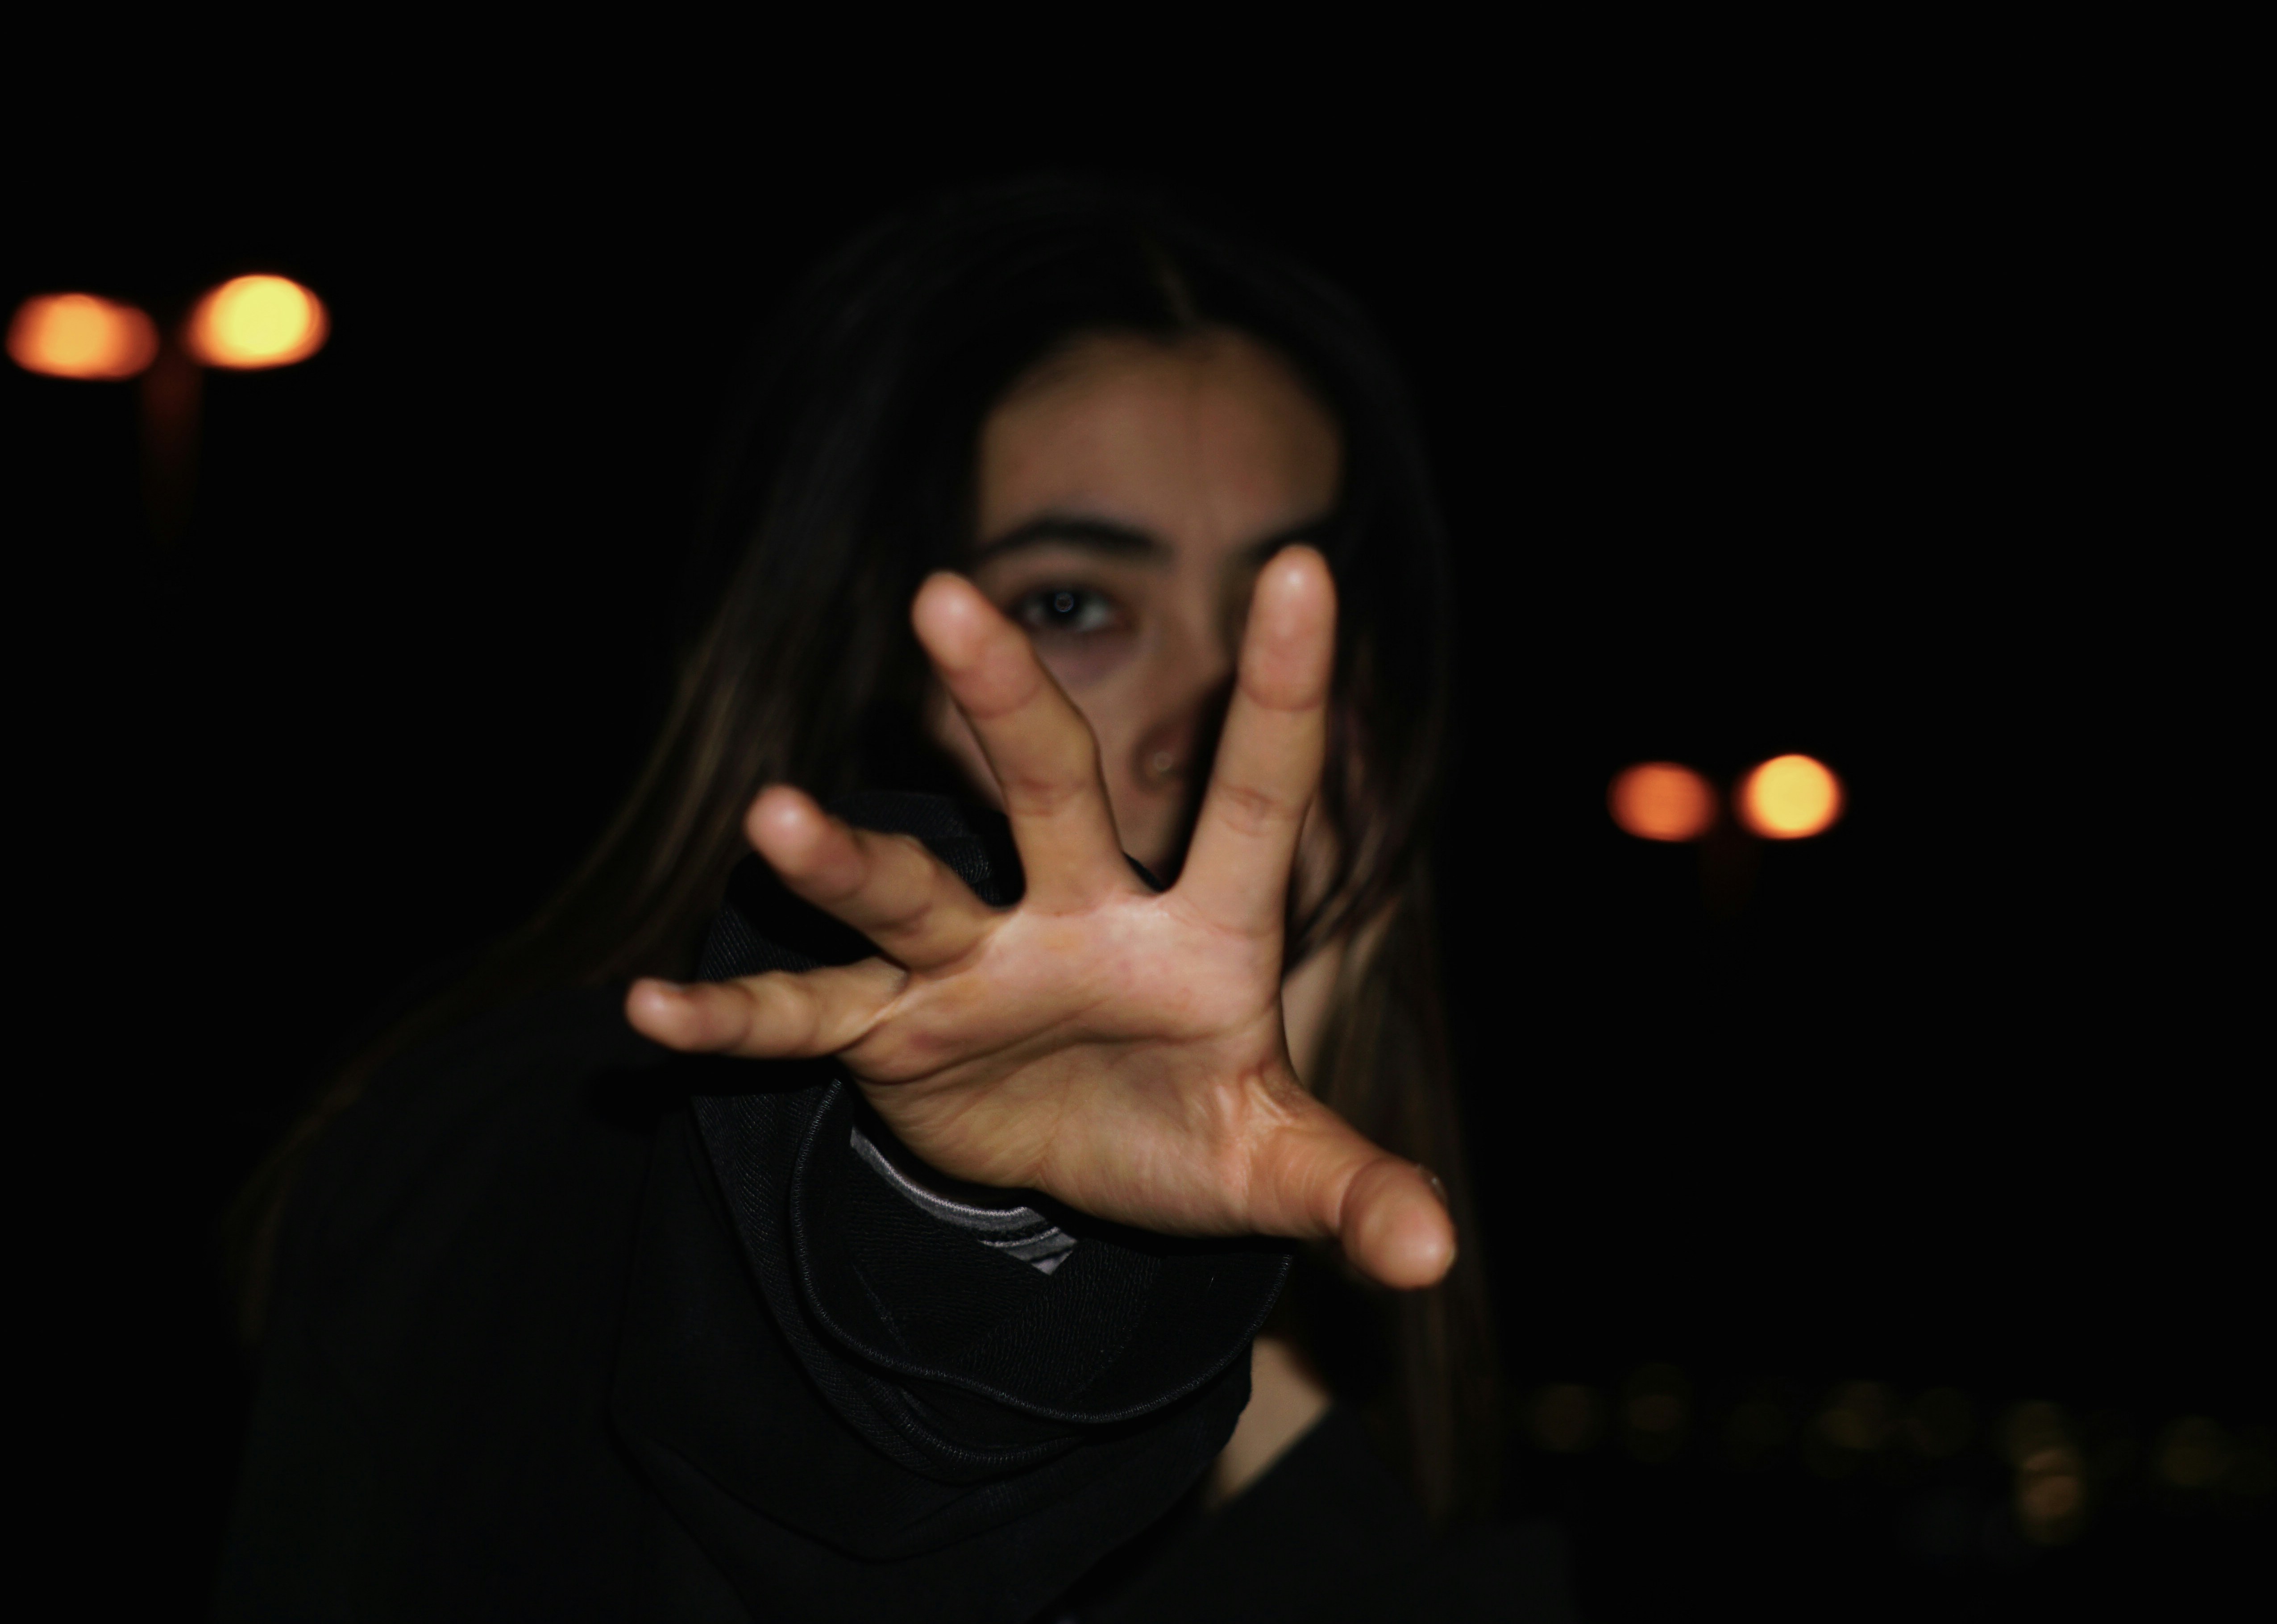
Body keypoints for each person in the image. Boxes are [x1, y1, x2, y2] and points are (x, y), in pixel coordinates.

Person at [217, 178, 1578, 1620]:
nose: (1224, 706)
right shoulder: (550, 1139)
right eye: (1072, 605)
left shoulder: (1385, 1246)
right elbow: (807, 1455)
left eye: (1296, 607)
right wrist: (979, 1214)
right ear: (857, 664)